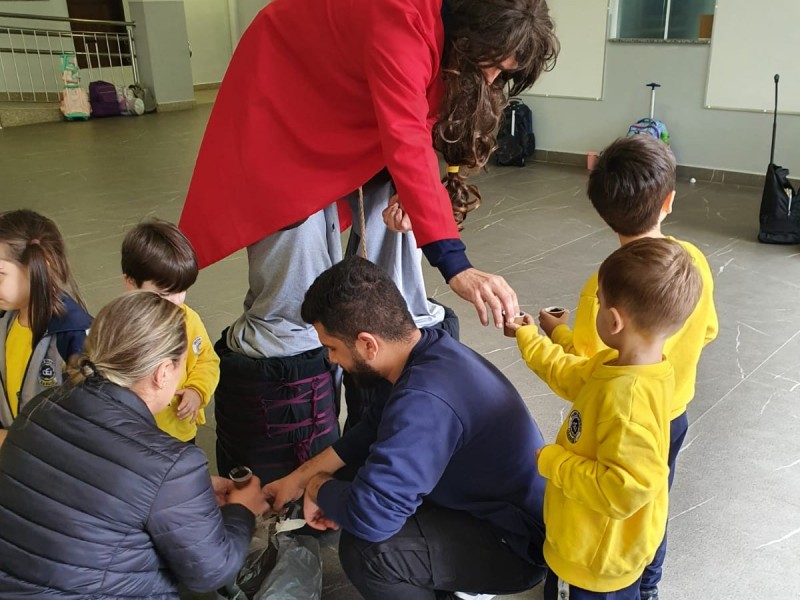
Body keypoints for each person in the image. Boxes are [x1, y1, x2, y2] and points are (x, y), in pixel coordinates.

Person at [178, 0, 558, 481]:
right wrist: (456, 264)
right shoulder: (400, 22)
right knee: (293, 287)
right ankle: (290, 456)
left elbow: (412, 120)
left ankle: (371, 419)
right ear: (469, 30)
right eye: (489, 65)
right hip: (283, 91)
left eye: (501, 73)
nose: (488, 81)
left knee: (394, 256)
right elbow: (403, 133)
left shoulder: (444, 30)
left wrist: (404, 187)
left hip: (351, 88)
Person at [263, 256, 548, 600]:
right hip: (488, 505)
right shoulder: (422, 350)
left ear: (368, 344)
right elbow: (370, 429)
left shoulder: (424, 400)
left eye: (332, 348)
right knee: (359, 476)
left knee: (368, 550)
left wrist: (319, 487)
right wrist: (299, 479)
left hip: (515, 544)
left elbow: (373, 516)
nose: (332, 360)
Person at [538, 135, 718, 600]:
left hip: (613, 420)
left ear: (601, 208)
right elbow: (709, 330)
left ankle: (603, 578)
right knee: (653, 502)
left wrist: (556, 334)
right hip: (672, 414)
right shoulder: (692, 264)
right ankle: (648, 585)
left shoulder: (603, 287)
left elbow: (585, 371)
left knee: (612, 508)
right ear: (669, 202)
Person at [0, 291, 268, 598]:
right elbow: (211, 571)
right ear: (163, 372)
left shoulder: (41, 406)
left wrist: (185, 492)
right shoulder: (173, 463)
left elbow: (87, 483)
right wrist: (242, 510)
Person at [507, 238, 703, 600]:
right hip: (590, 542)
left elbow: (623, 488)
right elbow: (568, 373)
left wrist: (554, 461)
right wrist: (528, 337)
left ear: (613, 320)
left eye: (598, 300)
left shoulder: (626, 401)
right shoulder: (630, 366)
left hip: (593, 564)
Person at [121, 218, 220, 444]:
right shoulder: (120, 329)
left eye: (182, 290)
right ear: (131, 282)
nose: (176, 302)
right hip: (135, 437)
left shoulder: (188, 320)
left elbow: (207, 361)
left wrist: (197, 391)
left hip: (180, 431)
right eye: (164, 294)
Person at [0, 209, 91, 449]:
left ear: (39, 268)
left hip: (49, 465)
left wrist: (16, 441)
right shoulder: (4, 320)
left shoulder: (75, 335)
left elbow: (89, 420)